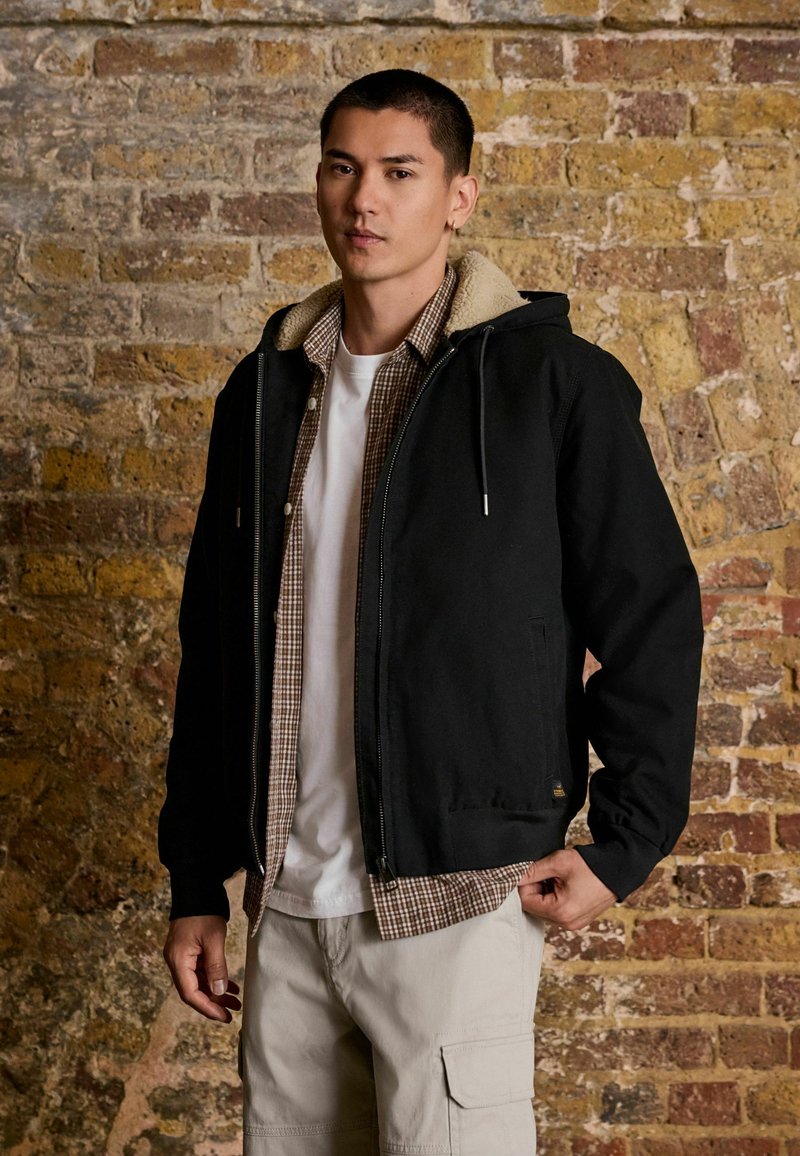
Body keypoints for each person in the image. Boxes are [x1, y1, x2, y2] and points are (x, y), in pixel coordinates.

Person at [159, 68, 705, 1155]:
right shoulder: (264, 393)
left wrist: (627, 840)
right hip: (288, 904)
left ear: (458, 196)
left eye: (398, 172)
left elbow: (651, 612)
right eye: (341, 167)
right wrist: (196, 878)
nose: (363, 198)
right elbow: (215, 647)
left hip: (455, 903)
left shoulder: (555, 384)